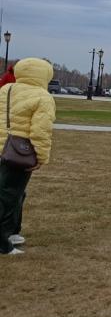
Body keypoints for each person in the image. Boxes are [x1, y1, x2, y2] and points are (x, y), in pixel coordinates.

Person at [0, 58, 56, 255]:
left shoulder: (5, 90)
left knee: (15, 193)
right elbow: (40, 131)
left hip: (2, 148)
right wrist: (41, 157)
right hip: (18, 152)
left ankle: (12, 231)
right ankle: (2, 243)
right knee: (8, 196)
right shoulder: (43, 97)